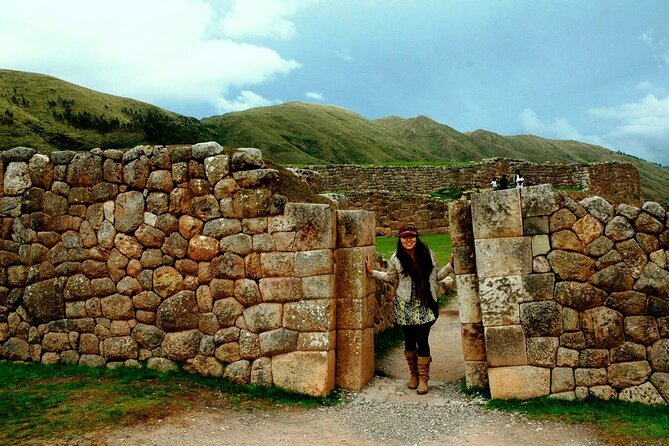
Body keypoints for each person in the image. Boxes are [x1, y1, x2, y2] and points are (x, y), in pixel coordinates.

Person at [366, 222, 454, 394]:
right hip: (405, 304)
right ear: (401, 239)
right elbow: (391, 278)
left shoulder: (428, 255)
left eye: (411, 236)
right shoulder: (396, 259)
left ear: (416, 237)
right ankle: (413, 375)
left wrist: (450, 266)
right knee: (408, 340)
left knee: (422, 339)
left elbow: (436, 277)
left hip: (425, 304)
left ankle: (423, 379)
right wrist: (372, 273)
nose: (408, 240)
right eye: (405, 237)